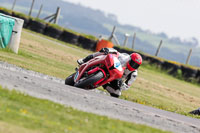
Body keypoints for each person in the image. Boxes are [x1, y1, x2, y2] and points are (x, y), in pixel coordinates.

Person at [77, 48, 142, 97]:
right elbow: (116, 52)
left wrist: (122, 85)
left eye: (136, 65)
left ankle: (103, 84)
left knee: (117, 93)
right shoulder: (123, 57)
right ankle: (84, 60)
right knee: (103, 51)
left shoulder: (133, 74)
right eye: (133, 63)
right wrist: (108, 50)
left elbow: (127, 86)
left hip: (115, 77)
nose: (133, 66)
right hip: (110, 65)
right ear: (129, 59)